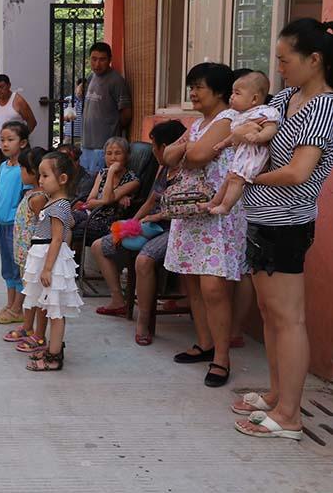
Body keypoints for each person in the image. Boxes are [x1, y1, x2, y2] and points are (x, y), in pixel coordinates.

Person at [234, 18, 333, 440]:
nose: (280, 69)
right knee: (270, 314)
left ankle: (290, 417)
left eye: (285, 60)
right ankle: (277, 395)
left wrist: (247, 179)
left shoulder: (324, 107)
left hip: (287, 225)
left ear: (315, 59)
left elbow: (297, 172)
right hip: (260, 219)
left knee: (289, 319)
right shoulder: (289, 96)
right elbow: (251, 128)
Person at [162, 62, 245, 388]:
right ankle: (204, 342)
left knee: (213, 286)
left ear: (220, 91)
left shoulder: (228, 120)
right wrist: (187, 149)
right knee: (192, 283)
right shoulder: (200, 123)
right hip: (191, 211)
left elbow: (195, 157)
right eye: (191, 86)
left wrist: (186, 151)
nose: (192, 93)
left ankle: (222, 358)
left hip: (217, 214)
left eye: (199, 86)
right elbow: (168, 155)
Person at [88, 120, 186, 335]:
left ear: (167, 147)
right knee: (98, 246)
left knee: (144, 260)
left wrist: (154, 217)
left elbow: (183, 209)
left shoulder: (187, 173)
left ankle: (143, 321)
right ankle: (117, 300)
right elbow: (150, 201)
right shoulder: (164, 171)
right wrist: (135, 222)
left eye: (155, 146)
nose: (152, 151)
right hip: (151, 224)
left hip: (176, 228)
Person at [23, 152, 83, 371]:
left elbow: (58, 237)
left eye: (45, 176)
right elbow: (69, 226)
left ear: (63, 179)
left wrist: (49, 268)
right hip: (47, 256)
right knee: (51, 307)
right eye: (40, 175)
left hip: (52, 261)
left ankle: (53, 356)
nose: (40, 180)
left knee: (56, 310)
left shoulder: (59, 205)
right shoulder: (55, 203)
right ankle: (53, 347)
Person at [205, 72, 279, 215]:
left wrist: (258, 136)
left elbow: (271, 128)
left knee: (236, 180)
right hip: (242, 154)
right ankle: (214, 202)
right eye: (232, 92)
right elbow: (234, 136)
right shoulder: (241, 116)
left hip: (254, 156)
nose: (232, 96)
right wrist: (223, 144)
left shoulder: (264, 111)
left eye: (237, 93)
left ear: (254, 99)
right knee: (229, 178)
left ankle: (226, 207)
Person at [0, 147, 49, 343]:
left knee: (36, 293)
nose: (20, 172)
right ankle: (27, 327)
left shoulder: (38, 199)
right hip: (25, 255)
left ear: (33, 173)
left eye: (22, 169)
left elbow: (47, 227)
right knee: (29, 292)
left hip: (34, 255)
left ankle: (35, 332)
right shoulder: (30, 194)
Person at [0, 121, 30, 323]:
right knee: (7, 267)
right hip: (1, 222)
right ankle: (10, 305)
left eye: (10, 140)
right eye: (2, 140)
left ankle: (17, 309)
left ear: (22, 143)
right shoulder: (4, 166)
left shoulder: (25, 169)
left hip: (15, 225)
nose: (5, 144)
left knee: (17, 267)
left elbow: (28, 197)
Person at [72, 137, 140, 245]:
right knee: (65, 219)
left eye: (118, 153)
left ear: (127, 156)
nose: (113, 158)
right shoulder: (102, 172)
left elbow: (108, 199)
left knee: (76, 230)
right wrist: (113, 198)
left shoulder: (133, 180)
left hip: (107, 222)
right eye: (109, 153)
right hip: (90, 214)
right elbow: (90, 201)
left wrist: (111, 172)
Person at [80, 43, 132, 175]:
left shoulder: (116, 81)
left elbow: (126, 113)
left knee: (99, 183)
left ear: (110, 60)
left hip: (103, 147)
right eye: (94, 59)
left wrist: (111, 127)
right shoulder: (91, 77)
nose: (97, 64)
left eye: (102, 59)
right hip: (86, 144)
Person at [0, 74, 37, 183]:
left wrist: (20, 138)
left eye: (1, 87)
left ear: (9, 86)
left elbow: (32, 122)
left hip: (15, 148)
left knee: (16, 175)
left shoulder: (18, 101)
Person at [62, 78, 86, 144]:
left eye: (85, 88)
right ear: (76, 87)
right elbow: (64, 118)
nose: (83, 90)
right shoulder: (68, 99)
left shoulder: (88, 101)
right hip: (69, 134)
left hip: (84, 136)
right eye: (81, 87)